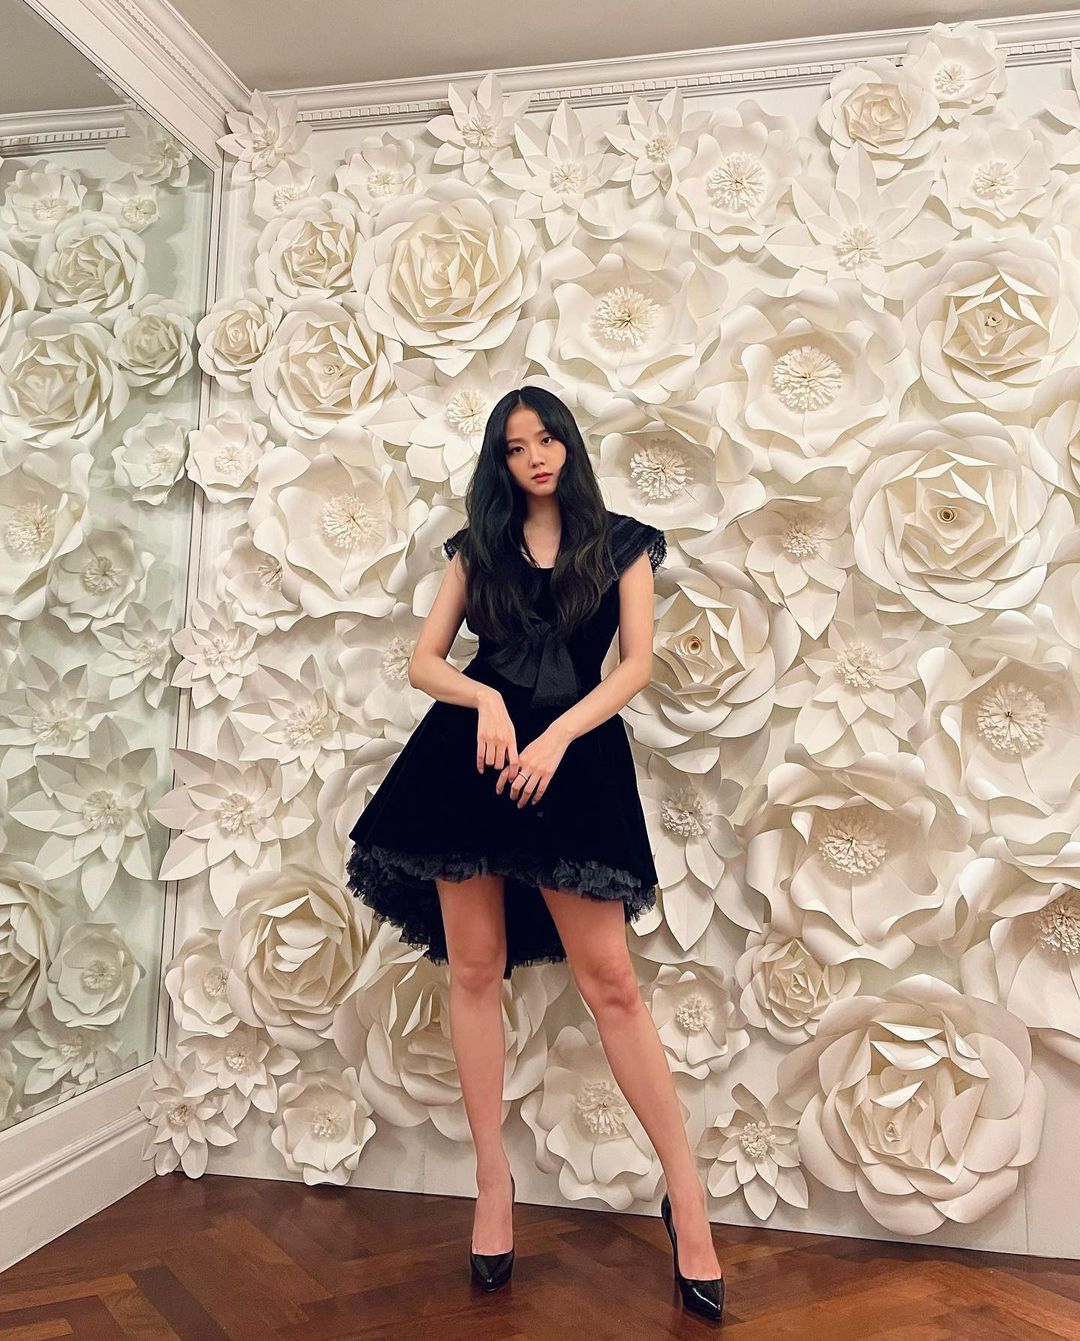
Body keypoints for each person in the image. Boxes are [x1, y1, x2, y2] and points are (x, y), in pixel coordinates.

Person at [346, 386, 724, 1321]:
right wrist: (484, 699)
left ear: (569, 445)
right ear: (501, 462)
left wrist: (556, 736)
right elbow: (425, 661)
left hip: (576, 760)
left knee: (613, 983)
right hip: (470, 760)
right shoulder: (477, 548)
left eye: (547, 439)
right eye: (516, 448)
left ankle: (688, 1197)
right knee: (474, 968)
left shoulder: (623, 543)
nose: (536, 457)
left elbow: (635, 666)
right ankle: (492, 1182)